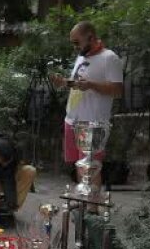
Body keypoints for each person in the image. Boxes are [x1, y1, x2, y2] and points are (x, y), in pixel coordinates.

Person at [51, 22, 124, 179]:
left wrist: (91, 85)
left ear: (90, 37)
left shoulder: (109, 58)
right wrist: (63, 82)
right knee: (79, 167)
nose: (75, 47)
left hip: (92, 123)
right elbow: (77, 83)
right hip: (72, 120)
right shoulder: (81, 56)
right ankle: (82, 202)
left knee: (91, 170)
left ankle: (91, 204)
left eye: (77, 42)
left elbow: (117, 90)